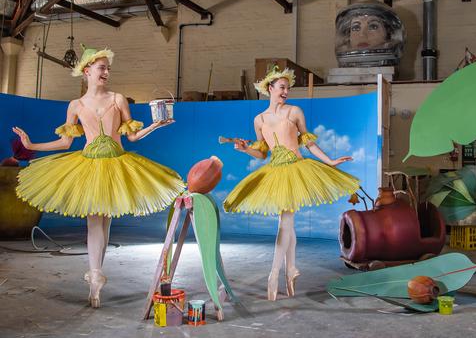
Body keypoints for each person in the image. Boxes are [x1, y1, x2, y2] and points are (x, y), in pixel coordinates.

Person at [13, 45, 185, 308]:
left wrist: (156, 124)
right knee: (95, 221)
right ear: (87, 71)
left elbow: (132, 136)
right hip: (90, 166)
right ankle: (95, 277)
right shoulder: (76, 105)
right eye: (101, 67)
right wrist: (31, 145)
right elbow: (64, 143)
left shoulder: (118, 99)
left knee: (104, 223)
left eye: (108, 68)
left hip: (116, 164)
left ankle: (97, 274)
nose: (106, 72)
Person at [223, 66, 360, 301]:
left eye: (288, 87)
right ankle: (291, 270)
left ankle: (274, 273)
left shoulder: (294, 112)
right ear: (270, 89)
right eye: (282, 87)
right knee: (288, 222)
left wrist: (331, 161)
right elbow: (262, 153)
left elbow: (308, 143)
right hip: (275, 172)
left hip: (297, 169)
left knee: (285, 222)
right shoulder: (259, 119)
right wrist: (246, 149)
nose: (286, 91)